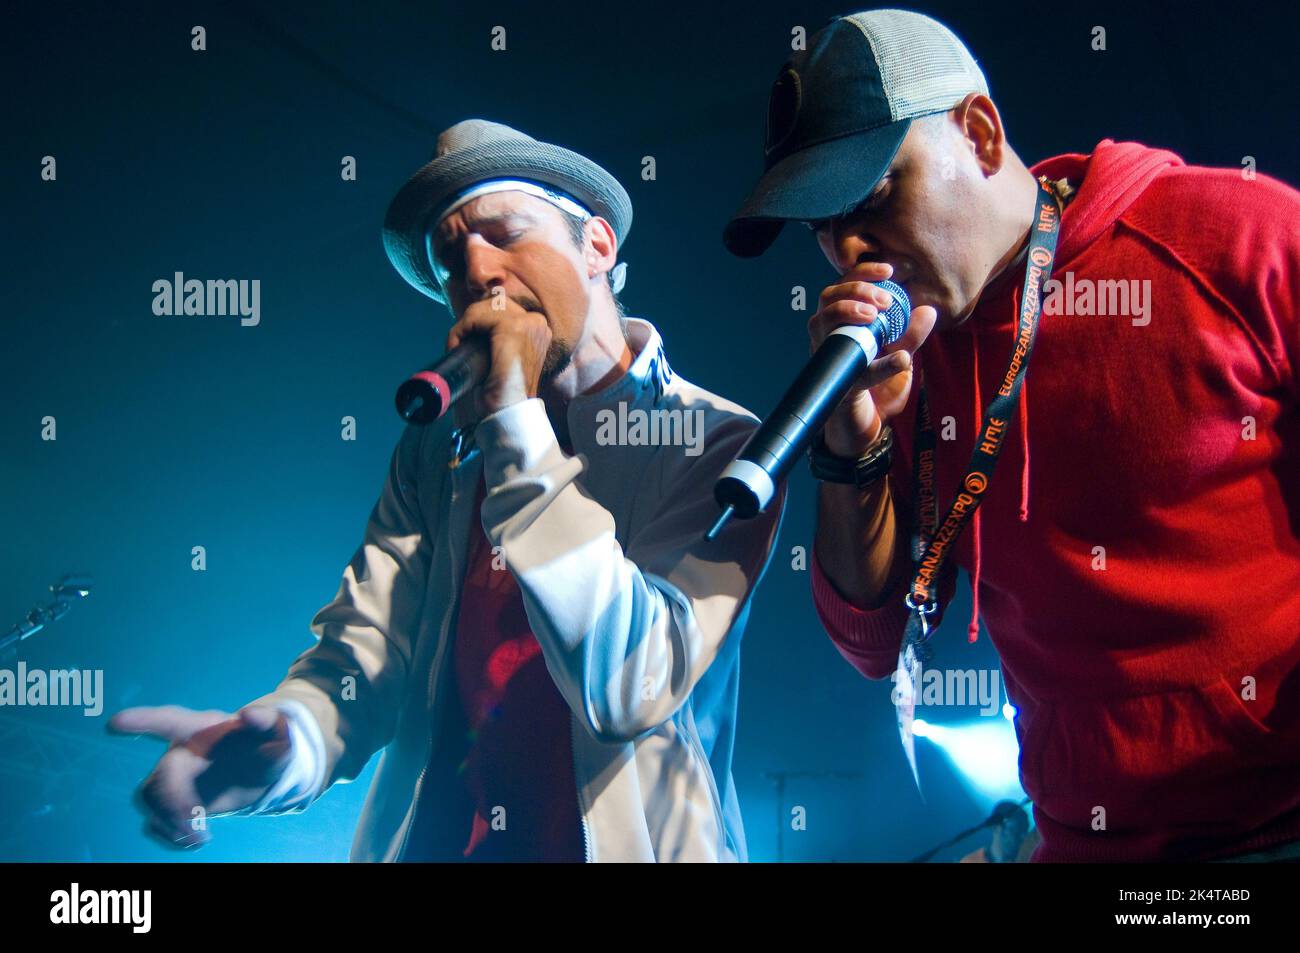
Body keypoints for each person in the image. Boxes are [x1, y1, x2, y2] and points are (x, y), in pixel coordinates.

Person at [111, 119, 783, 862]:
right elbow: (364, 656)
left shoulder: (719, 441)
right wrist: (287, 741)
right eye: (450, 258)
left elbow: (633, 684)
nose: (477, 272)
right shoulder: (439, 448)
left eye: (504, 232)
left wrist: (514, 424)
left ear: (596, 245)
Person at [724, 8, 1300, 861]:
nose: (850, 249)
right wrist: (850, 449)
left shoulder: (1235, 237)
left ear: (980, 133)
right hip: (1079, 839)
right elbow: (872, 646)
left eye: (873, 194)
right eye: (821, 226)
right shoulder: (906, 360)